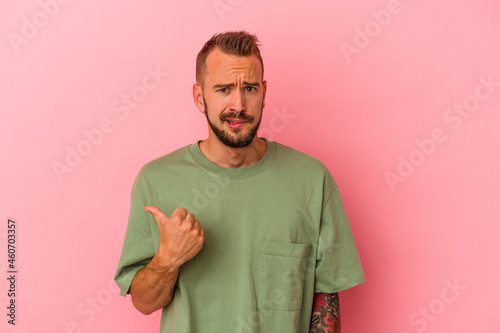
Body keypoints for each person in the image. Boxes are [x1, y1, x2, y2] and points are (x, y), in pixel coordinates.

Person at [115, 31, 365, 333]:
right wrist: (167, 259)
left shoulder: (312, 180)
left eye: (249, 88)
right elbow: (144, 302)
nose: (239, 105)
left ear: (264, 92)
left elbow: (326, 297)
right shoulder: (155, 181)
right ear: (199, 96)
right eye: (223, 90)